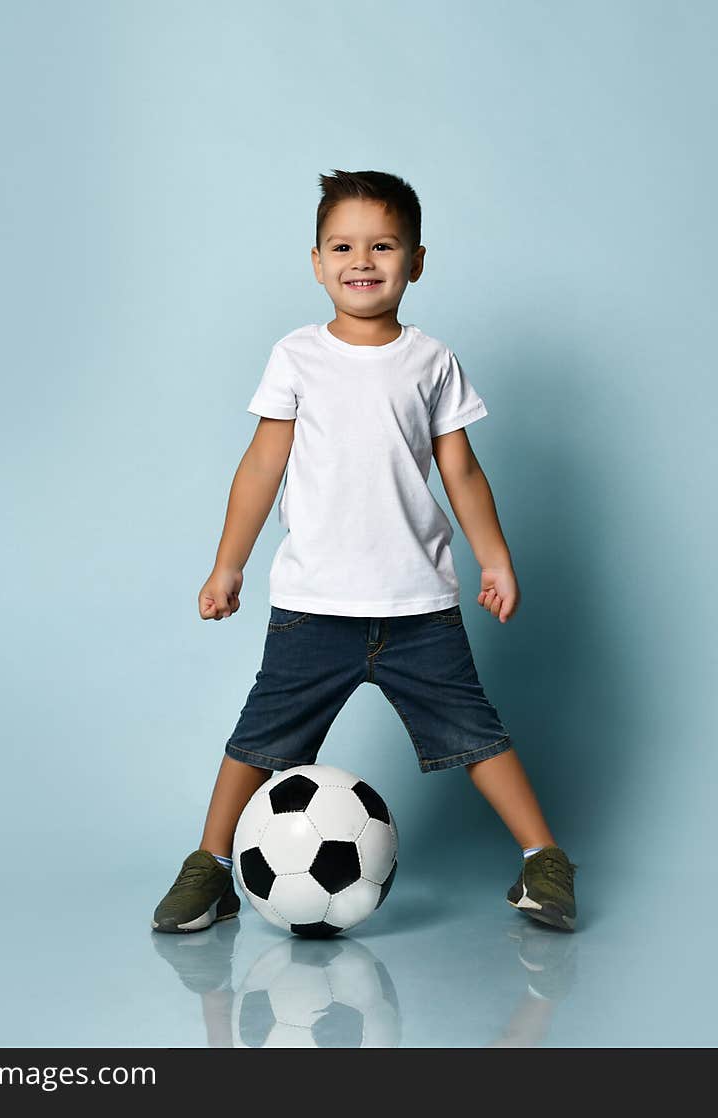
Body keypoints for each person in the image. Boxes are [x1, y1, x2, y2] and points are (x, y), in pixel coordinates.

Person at [151, 169, 577, 937]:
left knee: (477, 737)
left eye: (383, 245)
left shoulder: (431, 361)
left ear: (416, 260)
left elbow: (462, 471)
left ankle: (545, 860)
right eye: (343, 246)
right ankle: (209, 868)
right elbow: (260, 467)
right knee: (257, 742)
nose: (362, 260)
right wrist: (229, 564)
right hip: (313, 608)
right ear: (316, 262)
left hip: (418, 607)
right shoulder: (297, 356)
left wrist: (496, 559)